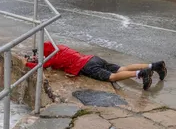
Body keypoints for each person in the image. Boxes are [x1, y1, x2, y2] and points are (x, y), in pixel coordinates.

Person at [25, 42, 167, 90]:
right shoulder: (61, 48)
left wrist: (27, 62)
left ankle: (141, 74)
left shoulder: (52, 58)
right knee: (121, 68)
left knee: (112, 77)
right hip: (93, 58)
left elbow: (40, 66)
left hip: (86, 66)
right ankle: (154, 65)